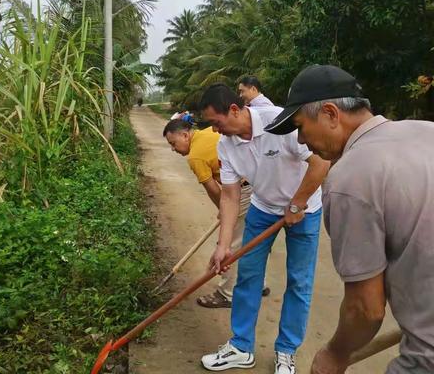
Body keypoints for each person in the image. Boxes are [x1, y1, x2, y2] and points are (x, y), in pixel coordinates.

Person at [265, 64, 434, 374]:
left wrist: (336, 353)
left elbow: (365, 309)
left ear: (330, 113)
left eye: (301, 126)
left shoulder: (350, 178)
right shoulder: (426, 131)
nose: (301, 140)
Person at [199, 84, 330, 374]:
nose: (215, 131)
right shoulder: (226, 145)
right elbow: (230, 197)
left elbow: (321, 162)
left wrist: (297, 204)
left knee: (299, 281)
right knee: (247, 276)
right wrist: (223, 245)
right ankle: (241, 346)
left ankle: (286, 351)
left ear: (234, 110)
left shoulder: (280, 122)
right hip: (262, 208)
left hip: (305, 209)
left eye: (215, 123)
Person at [163, 119, 270, 308]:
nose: (173, 149)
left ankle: (226, 294)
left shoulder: (195, 157)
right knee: (252, 238)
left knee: (231, 242)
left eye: (173, 144)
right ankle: (258, 284)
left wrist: (225, 212)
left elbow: (213, 189)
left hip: (243, 189)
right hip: (259, 182)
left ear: (185, 135)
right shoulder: (207, 133)